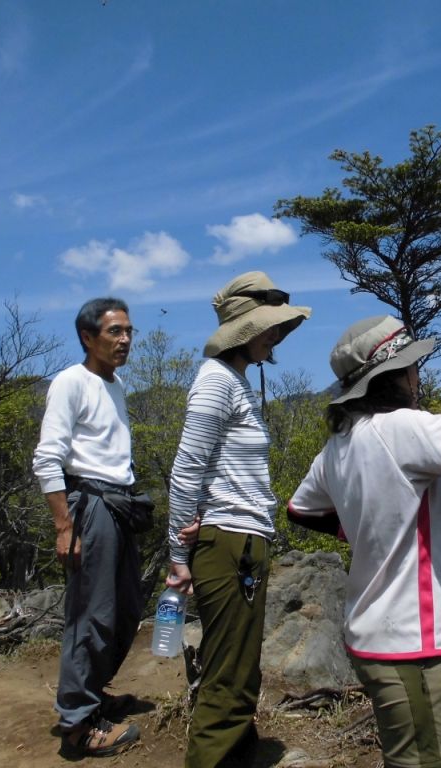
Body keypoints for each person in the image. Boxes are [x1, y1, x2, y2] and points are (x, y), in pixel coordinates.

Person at [287, 315, 441, 768]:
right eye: (412, 366)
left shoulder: (339, 444)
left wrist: (363, 529)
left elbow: (300, 510)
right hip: (412, 644)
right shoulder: (404, 428)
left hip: (374, 635)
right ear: (394, 376)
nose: (417, 375)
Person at [166, 271, 311, 768]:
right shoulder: (215, 381)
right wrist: (177, 556)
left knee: (240, 667)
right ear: (243, 331)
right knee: (228, 673)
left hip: (241, 537)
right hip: (228, 542)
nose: (275, 335)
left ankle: (239, 754)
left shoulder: (236, 381)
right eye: (267, 327)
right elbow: (187, 466)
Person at [32, 297, 144, 759]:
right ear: (87, 337)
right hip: (90, 505)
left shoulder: (115, 385)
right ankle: (78, 726)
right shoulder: (70, 382)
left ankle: (93, 693)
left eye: (128, 331)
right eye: (115, 332)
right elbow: (47, 456)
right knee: (91, 614)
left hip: (119, 503)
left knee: (126, 609)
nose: (125, 340)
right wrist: (64, 525)